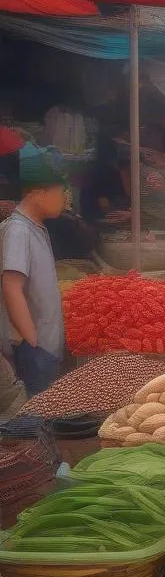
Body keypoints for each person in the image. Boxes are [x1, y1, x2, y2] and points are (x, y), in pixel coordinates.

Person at [0, 144, 67, 395]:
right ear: (39, 194)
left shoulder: (35, 227)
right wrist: (32, 342)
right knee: (34, 421)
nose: (64, 199)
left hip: (45, 349)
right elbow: (11, 287)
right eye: (60, 192)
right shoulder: (18, 230)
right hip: (33, 352)